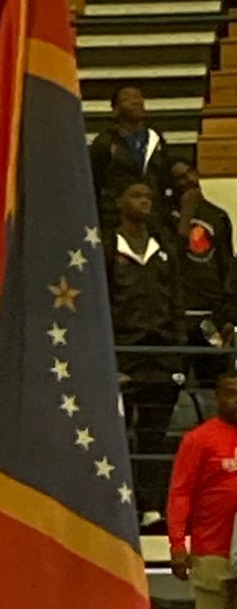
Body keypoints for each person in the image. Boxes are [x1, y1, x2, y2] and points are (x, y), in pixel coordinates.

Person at [105, 178, 185, 524]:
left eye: (148, 197)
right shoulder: (107, 246)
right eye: (136, 196)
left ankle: (151, 508)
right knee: (117, 437)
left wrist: (177, 355)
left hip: (160, 355)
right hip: (123, 354)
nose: (144, 202)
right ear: (119, 200)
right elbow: (101, 303)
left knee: (154, 436)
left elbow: (177, 302)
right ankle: (120, 508)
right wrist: (108, 360)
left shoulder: (163, 245)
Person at [166, 369, 237, 609]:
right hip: (213, 551)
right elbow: (180, 493)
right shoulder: (200, 440)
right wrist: (178, 543)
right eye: (229, 393)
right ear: (216, 397)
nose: (235, 400)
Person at [168, 160, 236, 363]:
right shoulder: (163, 218)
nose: (188, 180)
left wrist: (230, 314)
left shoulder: (217, 216)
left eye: (190, 173)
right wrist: (186, 215)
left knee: (216, 378)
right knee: (177, 380)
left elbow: (227, 265)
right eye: (180, 178)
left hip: (212, 317)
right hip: (179, 318)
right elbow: (171, 259)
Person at [89, 84, 173, 232]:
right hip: (117, 220)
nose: (136, 102)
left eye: (138, 97)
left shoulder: (156, 138)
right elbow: (96, 182)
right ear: (115, 109)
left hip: (154, 217)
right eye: (127, 99)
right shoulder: (105, 142)